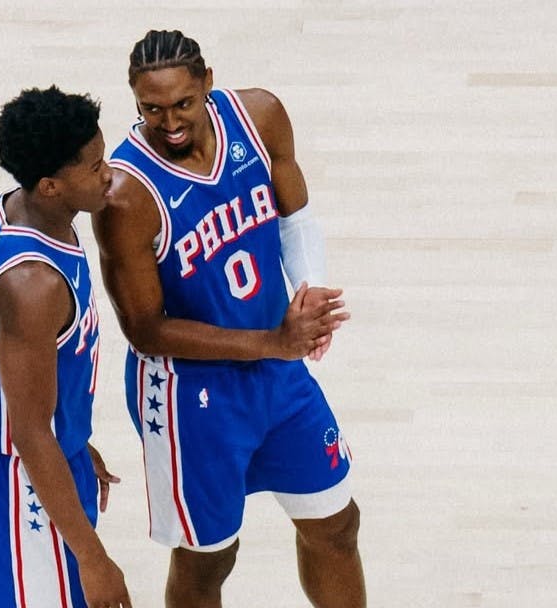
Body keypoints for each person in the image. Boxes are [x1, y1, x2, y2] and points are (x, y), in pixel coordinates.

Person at [92, 30, 366, 607]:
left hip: (276, 364)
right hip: (192, 394)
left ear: (208, 83)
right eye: (151, 109)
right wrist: (274, 340)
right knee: (210, 559)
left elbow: (294, 214)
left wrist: (308, 297)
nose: (169, 122)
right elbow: (145, 330)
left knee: (335, 523)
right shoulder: (125, 196)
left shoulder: (260, 116)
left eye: (183, 104)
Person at [0, 85, 132, 608]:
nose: (108, 175)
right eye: (94, 167)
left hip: (12, 445)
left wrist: (72, 435)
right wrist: (95, 560)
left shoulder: (11, 209)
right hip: (17, 478)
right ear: (51, 185)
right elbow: (29, 433)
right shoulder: (34, 285)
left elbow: (26, 381)